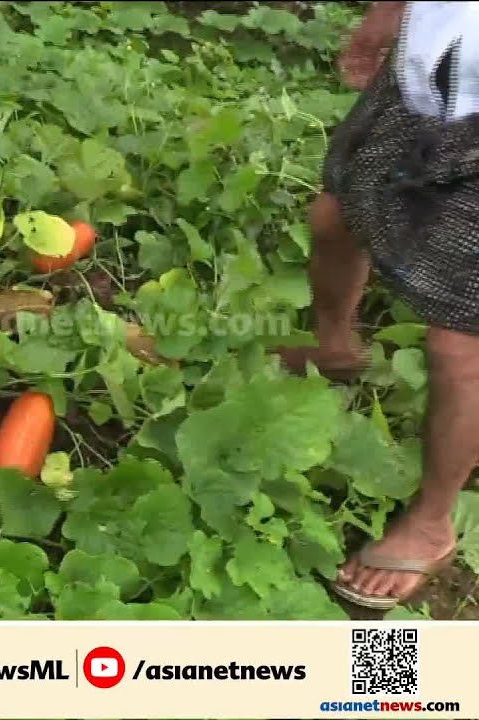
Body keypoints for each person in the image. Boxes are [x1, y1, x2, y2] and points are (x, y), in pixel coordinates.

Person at [279, 1, 479, 610]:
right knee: (336, 214)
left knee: (460, 343)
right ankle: (335, 345)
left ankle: (433, 522)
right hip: (431, 66)